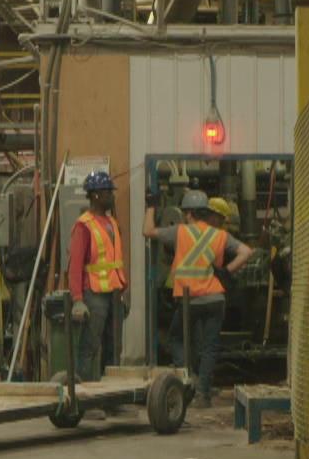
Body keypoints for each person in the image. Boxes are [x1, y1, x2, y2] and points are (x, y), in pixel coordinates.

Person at [144, 189, 253, 408]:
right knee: (209, 347)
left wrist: (151, 206)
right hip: (215, 299)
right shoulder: (220, 235)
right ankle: (203, 394)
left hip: (189, 300)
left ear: (190, 213)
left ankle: (189, 380)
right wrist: (227, 271)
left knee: (176, 339)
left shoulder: (180, 232)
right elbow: (247, 252)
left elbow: (147, 232)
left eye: (186, 213)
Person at [67, 170, 126, 382]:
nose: (112, 196)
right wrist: (77, 300)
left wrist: (121, 292)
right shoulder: (84, 225)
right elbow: (74, 265)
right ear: (95, 195)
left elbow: (115, 260)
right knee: (90, 347)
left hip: (114, 292)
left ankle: (111, 397)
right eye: (108, 192)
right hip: (94, 294)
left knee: (114, 348)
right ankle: (86, 397)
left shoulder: (112, 222)